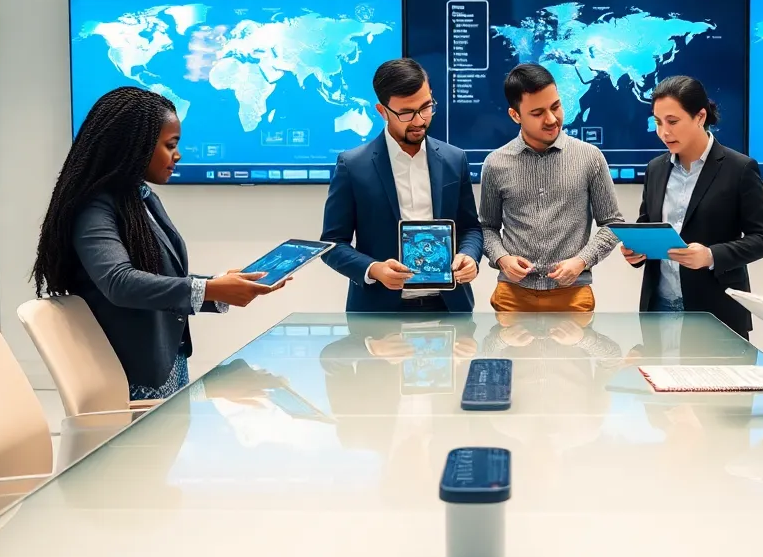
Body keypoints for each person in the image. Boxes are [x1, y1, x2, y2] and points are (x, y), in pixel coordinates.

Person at [31, 87, 283, 401]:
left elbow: (157, 275)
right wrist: (210, 289)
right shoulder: (94, 207)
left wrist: (219, 287)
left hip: (167, 364)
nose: (177, 155)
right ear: (133, 145)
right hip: (134, 379)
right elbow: (120, 282)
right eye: (170, 145)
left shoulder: (140, 197)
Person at [320, 58, 483, 313]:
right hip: (379, 313)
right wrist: (374, 269)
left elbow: (471, 228)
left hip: (449, 307)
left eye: (426, 107)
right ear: (382, 111)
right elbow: (332, 244)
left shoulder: (454, 159)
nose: (419, 121)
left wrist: (470, 256)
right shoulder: (353, 165)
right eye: (406, 113)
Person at [620, 76, 763, 334]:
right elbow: (647, 224)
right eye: (658, 122)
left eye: (672, 121)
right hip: (658, 311)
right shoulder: (655, 169)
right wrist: (636, 251)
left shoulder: (740, 168)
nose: (664, 132)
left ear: (700, 116)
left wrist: (710, 256)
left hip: (716, 313)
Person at [479, 63, 624, 313]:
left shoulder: (590, 157)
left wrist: (582, 261)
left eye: (555, 106)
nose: (551, 119)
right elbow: (486, 227)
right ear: (515, 115)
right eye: (537, 113)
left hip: (573, 294)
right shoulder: (495, 163)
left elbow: (613, 224)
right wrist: (502, 259)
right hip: (513, 294)